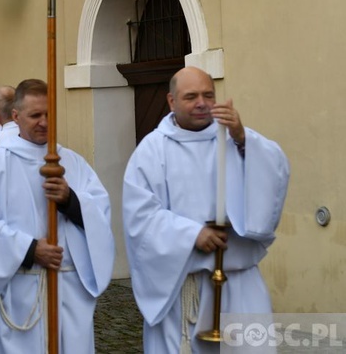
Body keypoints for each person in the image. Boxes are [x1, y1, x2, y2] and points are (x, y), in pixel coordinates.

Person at [122, 66, 290, 354]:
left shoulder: (235, 138)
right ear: (171, 101)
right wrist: (191, 235)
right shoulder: (152, 150)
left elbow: (275, 172)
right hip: (186, 286)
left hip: (239, 283)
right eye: (191, 96)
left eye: (208, 95)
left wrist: (242, 138)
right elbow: (140, 216)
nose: (202, 103)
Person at [0, 79, 115, 353]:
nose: (43, 122)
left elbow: (101, 212)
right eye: (35, 115)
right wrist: (30, 249)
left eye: (48, 114)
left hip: (66, 291)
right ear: (16, 116)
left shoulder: (73, 162)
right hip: (15, 290)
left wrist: (70, 200)